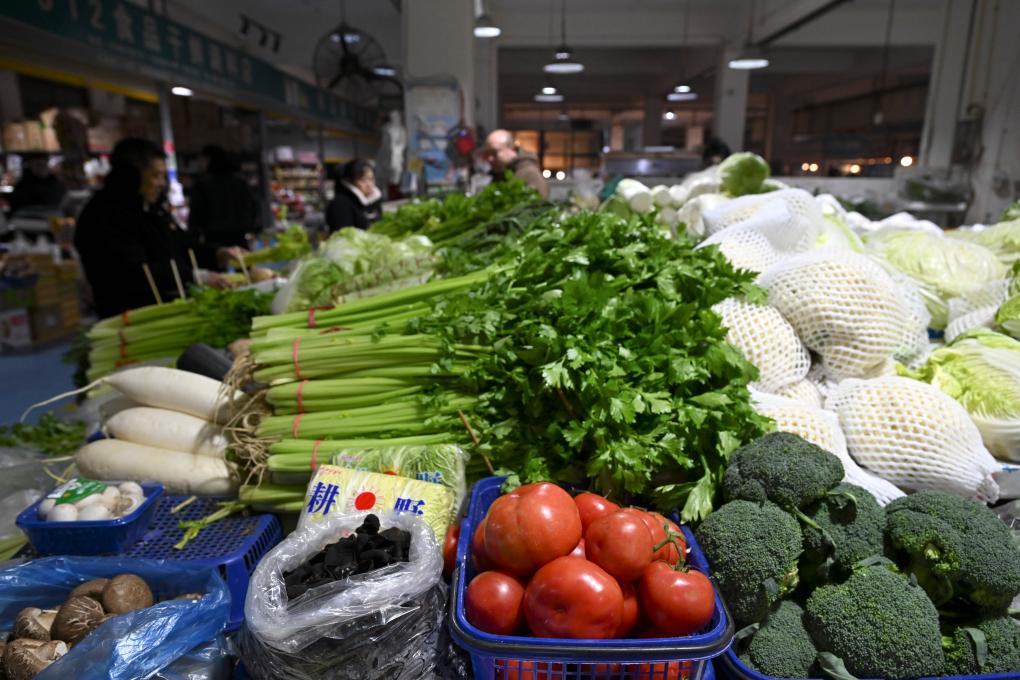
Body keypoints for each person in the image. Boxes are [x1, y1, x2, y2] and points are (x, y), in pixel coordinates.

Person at [74, 138, 241, 319]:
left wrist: (218, 253)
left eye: (163, 175)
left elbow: (181, 243)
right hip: (132, 319)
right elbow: (134, 272)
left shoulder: (151, 209)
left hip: (171, 309)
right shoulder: (103, 216)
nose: (162, 183)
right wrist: (197, 277)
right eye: (155, 175)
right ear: (131, 176)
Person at [187, 144, 257, 251]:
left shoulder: (202, 185)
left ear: (209, 160)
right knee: (241, 260)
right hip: (239, 238)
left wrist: (194, 239)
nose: (201, 164)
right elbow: (252, 208)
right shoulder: (240, 183)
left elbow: (195, 217)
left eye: (202, 160)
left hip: (213, 242)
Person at [483, 129, 548, 198]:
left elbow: (539, 202)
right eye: (488, 153)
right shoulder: (499, 174)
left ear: (513, 149)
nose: (490, 158)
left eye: (494, 152)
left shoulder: (530, 174)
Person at [326, 159, 382, 232]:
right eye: (363, 180)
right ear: (350, 181)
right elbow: (342, 234)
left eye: (371, 179)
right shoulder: (340, 204)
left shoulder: (374, 200)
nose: (369, 185)